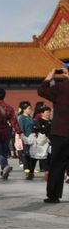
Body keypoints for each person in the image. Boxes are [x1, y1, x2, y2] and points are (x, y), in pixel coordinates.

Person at [39, 65, 69, 203]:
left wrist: (49, 78)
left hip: (60, 132)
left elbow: (41, 90)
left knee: (57, 165)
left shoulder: (60, 88)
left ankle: (53, 195)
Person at [0, 88, 21, 180]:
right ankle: (4, 172)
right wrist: (19, 132)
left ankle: (5, 166)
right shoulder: (9, 108)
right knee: (4, 153)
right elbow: (14, 121)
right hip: (6, 134)